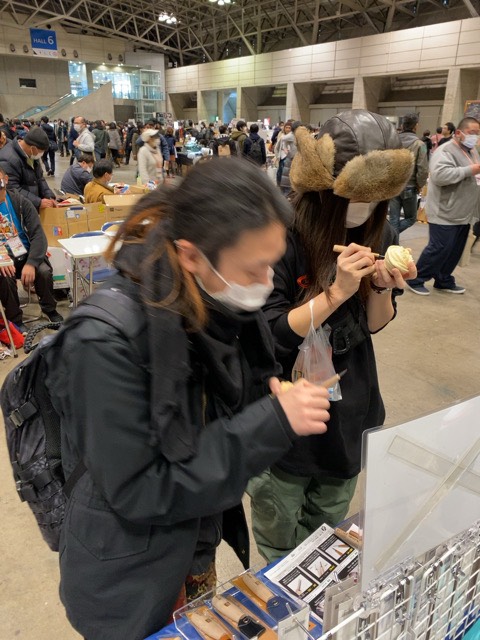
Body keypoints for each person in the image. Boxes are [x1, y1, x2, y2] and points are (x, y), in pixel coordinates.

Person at [45, 158, 331, 640]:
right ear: (192, 254)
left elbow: (214, 417)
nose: (267, 281)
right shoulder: (105, 342)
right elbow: (139, 489)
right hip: (126, 567)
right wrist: (269, 423)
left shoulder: (209, 305)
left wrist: (264, 400)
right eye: (255, 268)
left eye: (273, 263)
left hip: (192, 536)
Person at [247, 110, 417, 563]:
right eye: (357, 198)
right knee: (279, 531)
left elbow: (374, 324)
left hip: (349, 404)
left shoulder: (380, 229)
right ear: (324, 189)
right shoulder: (281, 233)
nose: (365, 210)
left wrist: (381, 287)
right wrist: (336, 292)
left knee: (326, 532)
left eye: (377, 200)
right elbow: (271, 334)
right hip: (286, 402)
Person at [406, 116, 480, 296]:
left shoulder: (472, 151)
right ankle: (416, 278)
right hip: (445, 211)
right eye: (472, 132)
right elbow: (440, 176)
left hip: (463, 212)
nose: (475, 136)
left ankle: (443, 279)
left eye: (478, 133)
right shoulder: (445, 151)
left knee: (454, 250)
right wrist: (471, 170)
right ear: (459, 133)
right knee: (439, 248)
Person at [0, 167, 63, 330]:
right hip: (4, 257)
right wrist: (2, 259)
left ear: (6, 180)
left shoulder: (21, 203)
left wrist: (31, 263)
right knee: (5, 277)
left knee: (43, 271)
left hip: (26, 253)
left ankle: (50, 309)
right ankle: (15, 320)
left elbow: (38, 236)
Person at [388, 113, 428, 234]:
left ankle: (391, 240)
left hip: (393, 185)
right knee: (411, 218)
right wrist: (420, 184)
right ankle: (389, 238)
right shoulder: (420, 145)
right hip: (409, 186)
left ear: (402, 125)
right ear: (416, 126)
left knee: (393, 219)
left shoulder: (392, 141)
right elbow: (423, 169)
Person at [0, 126, 57, 211]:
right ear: (33, 148)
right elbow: (12, 189)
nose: (41, 154)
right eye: (41, 152)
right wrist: (38, 202)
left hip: (31, 207)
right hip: (19, 209)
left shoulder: (31, 155)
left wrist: (49, 195)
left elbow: (40, 178)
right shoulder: (8, 159)